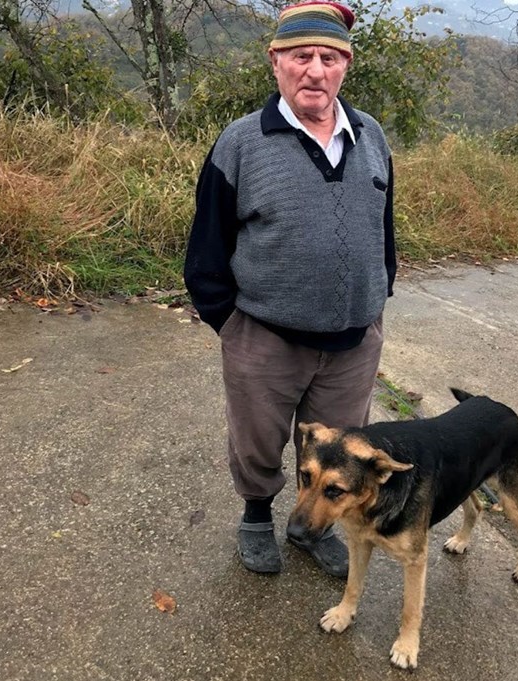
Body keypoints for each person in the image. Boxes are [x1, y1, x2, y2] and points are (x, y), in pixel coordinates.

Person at [183, 0, 396, 577]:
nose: (315, 71)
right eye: (301, 56)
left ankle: (315, 526)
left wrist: (377, 296)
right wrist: (232, 324)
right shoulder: (241, 143)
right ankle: (256, 515)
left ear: (346, 65)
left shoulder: (371, 135)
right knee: (258, 440)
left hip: (354, 342)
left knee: (337, 450)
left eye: (329, 57)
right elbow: (206, 248)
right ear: (275, 61)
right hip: (264, 336)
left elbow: (383, 228)